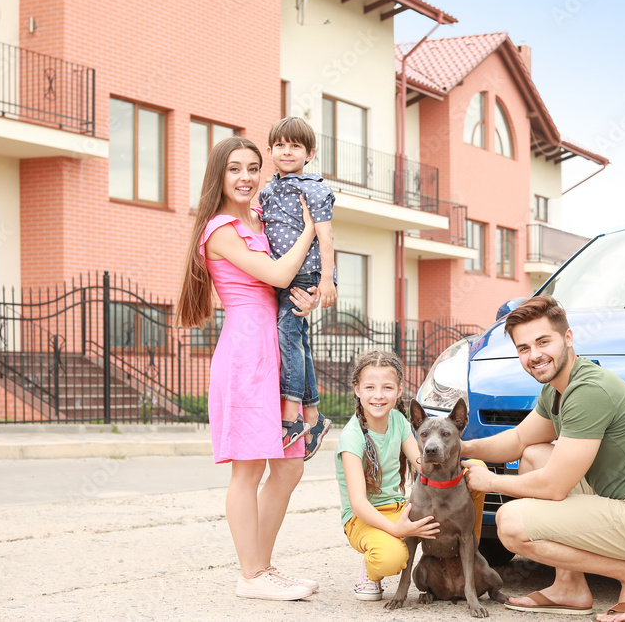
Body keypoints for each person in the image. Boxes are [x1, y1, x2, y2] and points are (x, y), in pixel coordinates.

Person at [461, 296, 625, 622]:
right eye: (524, 348)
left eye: (543, 342)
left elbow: (555, 487)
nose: (534, 355)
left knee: (511, 524)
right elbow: (519, 440)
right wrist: (463, 449)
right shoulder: (559, 388)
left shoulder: (589, 390)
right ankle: (568, 588)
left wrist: (489, 481)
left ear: (568, 338)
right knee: (533, 455)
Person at [174, 136, 320, 601]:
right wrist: (312, 229)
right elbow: (276, 274)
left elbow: (287, 283)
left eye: (253, 168)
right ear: (219, 174)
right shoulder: (218, 229)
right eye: (234, 168)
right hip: (246, 355)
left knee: (289, 467)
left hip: (278, 348)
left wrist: (310, 296)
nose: (245, 177)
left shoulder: (257, 220)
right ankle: (250, 575)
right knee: (249, 469)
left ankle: (262, 565)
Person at [335, 350, 487, 602]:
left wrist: (449, 462)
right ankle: (370, 568)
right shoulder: (351, 437)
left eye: (387, 387)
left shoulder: (398, 420)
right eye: (370, 387)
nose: (379, 395)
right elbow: (358, 504)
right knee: (391, 558)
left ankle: (464, 547)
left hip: (398, 508)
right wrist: (397, 529)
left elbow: (421, 463)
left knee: (475, 470)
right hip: (364, 516)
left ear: (398, 390)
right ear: (357, 390)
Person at [259, 116, 336, 460]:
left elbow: (326, 235)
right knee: (298, 341)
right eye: (280, 145)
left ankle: (291, 415)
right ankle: (314, 418)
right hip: (281, 274)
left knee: (287, 336)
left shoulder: (312, 186)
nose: (287, 151)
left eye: (295, 146)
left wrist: (327, 280)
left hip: (304, 274)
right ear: (271, 150)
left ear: (310, 153)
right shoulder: (268, 189)